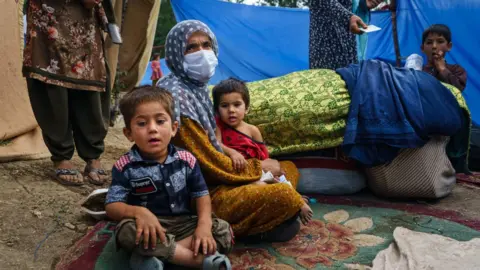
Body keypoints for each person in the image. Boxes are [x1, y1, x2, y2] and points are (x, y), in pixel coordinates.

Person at [158, 20, 305, 242]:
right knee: (283, 194)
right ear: (176, 53)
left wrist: (259, 170)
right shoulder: (178, 99)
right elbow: (207, 165)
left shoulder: (195, 90)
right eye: (191, 47)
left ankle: (270, 214)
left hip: (221, 175)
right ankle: (259, 223)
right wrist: (257, 170)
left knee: (287, 168)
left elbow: (214, 147)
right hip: (198, 194)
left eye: (206, 45)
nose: (202, 53)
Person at [105, 86, 233, 269]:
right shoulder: (125, 166)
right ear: (129, 134)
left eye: (160, 121)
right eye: (141, 124)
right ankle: (197, 261)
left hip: (183, 225)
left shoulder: (187, 160)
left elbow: (201, 194)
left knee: (222, 230)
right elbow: (112, 206)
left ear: (174, 128)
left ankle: (153, 258)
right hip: (147, 228)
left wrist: (204, 226)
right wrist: (139, 213)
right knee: (126, 231)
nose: (152, 129)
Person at [22, 0, 110, 185]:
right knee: (51, 80)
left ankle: (93, 154)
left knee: (90, 77)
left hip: (85, 15)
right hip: (48, 11)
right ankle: (61, 155)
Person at [212, 78, 313, 225]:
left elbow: (264, 156)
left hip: (259, 170)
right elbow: (216, 145)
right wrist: (232, 152)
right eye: (224, 106)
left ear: (246, 108)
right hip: (240, 176)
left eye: (237, 104)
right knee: (263, 186)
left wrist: (273, 170)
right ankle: (295, 200)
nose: (231, 110)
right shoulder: (218, 127)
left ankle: (292, 197)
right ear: (217, 110)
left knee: (288, 169)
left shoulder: (252, 130)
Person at [309, 0, 383, 69]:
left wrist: (363, 2)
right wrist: (348, 17)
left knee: (351, 76)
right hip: (327, 45)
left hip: (351, 48)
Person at [421, 24, 467, 91]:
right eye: (429, 42)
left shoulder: (456, 70)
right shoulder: (418, 71)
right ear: (422, 48)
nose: (434, 46)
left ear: (449, 46)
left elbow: (458, 90)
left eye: (440, 41)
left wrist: (442, 69)